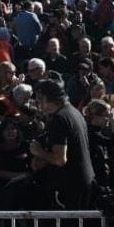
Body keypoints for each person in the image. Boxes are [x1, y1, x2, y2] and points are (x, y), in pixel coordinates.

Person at [29, 78, 95, 210]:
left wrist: (39, 151)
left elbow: (60, 159)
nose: (37, 104)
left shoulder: (58, 119)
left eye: (38, 100)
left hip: (69, 188)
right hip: (84, 181)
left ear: (45, 98)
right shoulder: (74, 112)